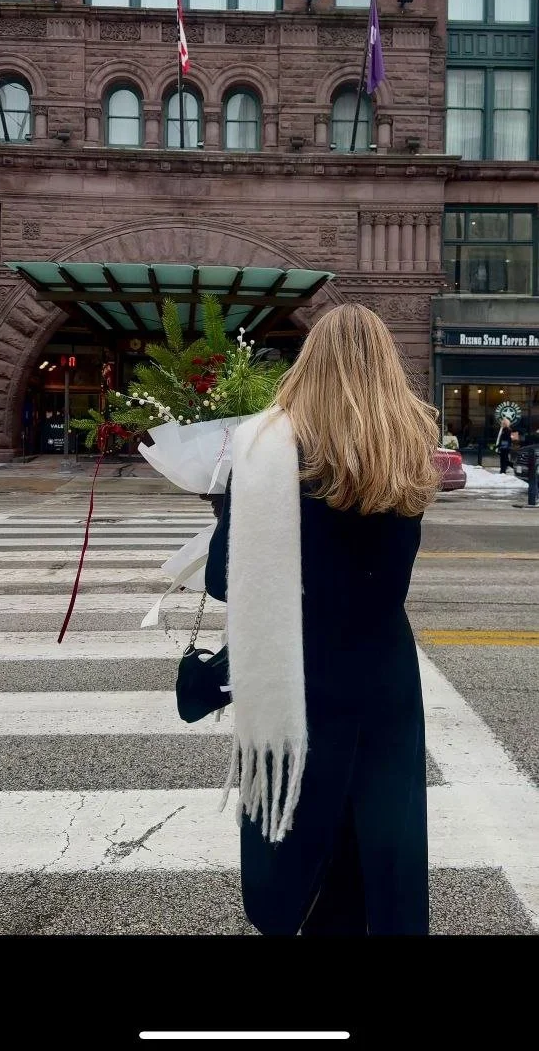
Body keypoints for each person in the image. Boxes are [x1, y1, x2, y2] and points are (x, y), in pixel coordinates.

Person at [205, 303, 440, 937]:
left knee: (303, 844)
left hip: (301, 672)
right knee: (384, 845)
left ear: (310, 364)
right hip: (385, 674)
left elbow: (223, 582)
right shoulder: (407, 450)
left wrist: (224, 510)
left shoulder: (265, 451)